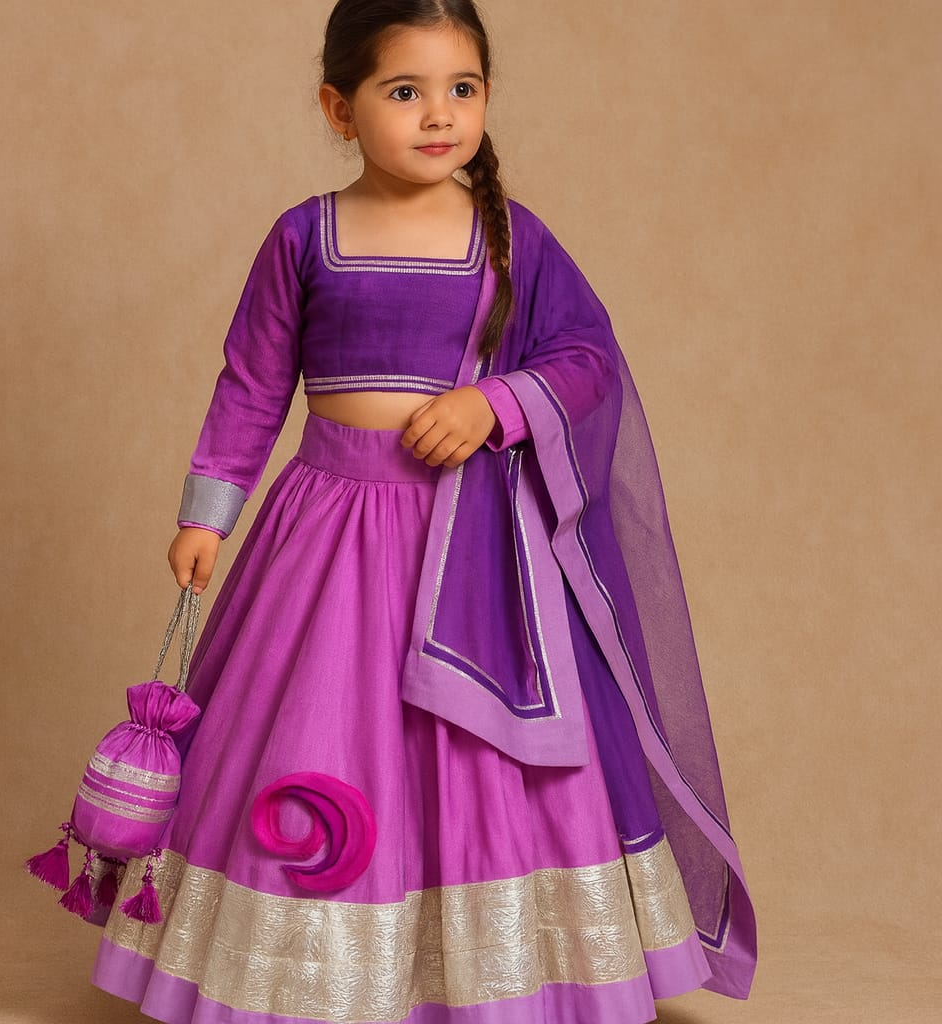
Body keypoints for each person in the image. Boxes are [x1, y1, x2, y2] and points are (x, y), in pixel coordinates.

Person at [89, 2, 757, 1021]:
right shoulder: (303, 235)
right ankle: (314, 978)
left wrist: (496, 404)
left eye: (463, 89)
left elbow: (587, 359)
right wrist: (207, 514)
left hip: (474, 548)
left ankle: (485, 984)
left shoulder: (510, 239)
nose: (439, 114)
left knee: (469, 758)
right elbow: (252, 384)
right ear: (339, 108)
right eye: (405, 91)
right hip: (323, 540)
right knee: (317, 730)